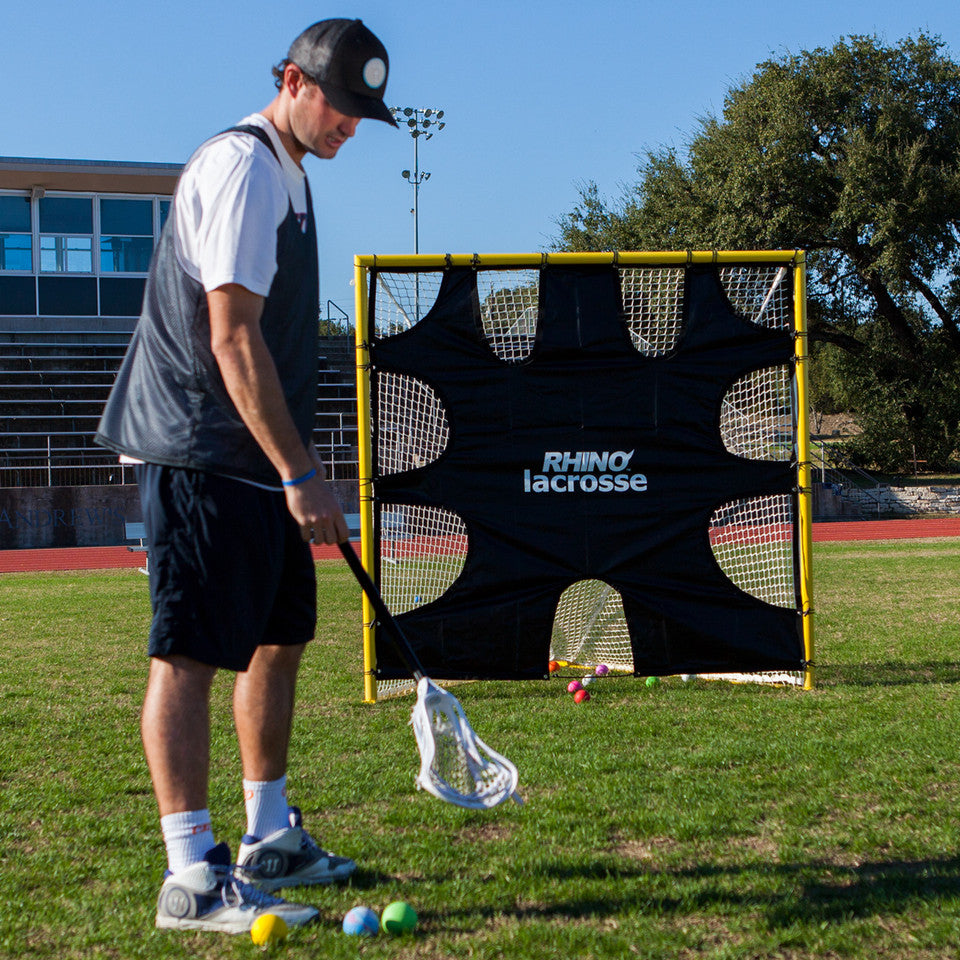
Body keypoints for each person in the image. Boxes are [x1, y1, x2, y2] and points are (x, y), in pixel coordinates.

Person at [96, 18, 397, 934]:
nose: (348, 124)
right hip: (203, 450)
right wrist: (301, 470)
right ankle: (190, 874)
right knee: (188, 651)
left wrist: (290, 470)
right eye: (338, 105)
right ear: (291, 81)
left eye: (360, 113)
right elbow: (229, 336)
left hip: (256, 461)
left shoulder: (293, 173)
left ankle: (269, 835)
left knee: (280, 633)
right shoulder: (243, 166)